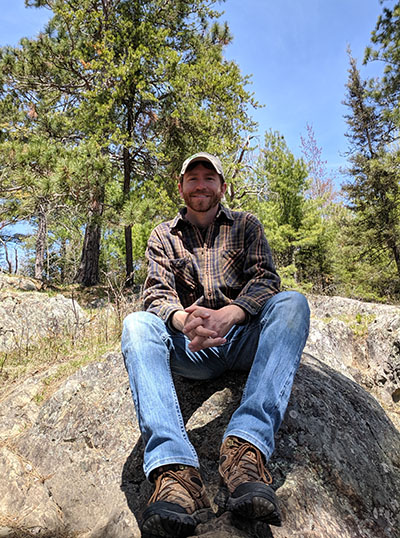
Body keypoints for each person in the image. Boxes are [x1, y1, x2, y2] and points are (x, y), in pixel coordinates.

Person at [121, 152, 310, 538]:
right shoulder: (163, 236)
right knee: (137, 325)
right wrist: (181, 320)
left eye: (210, 177)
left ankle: (245, 451)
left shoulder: (247, 225)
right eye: (193, 178)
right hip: (190, 348)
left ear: (223, 186)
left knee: (293, 303)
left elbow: (265, 280)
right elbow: (156, 294)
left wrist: (232, 313)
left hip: (242, 338)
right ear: (181, 187)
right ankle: (175, 473)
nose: (201, 184)